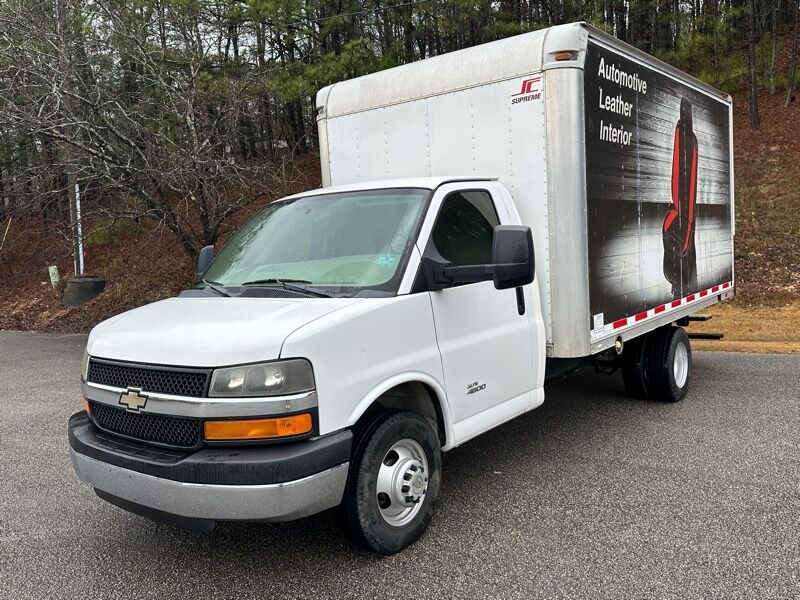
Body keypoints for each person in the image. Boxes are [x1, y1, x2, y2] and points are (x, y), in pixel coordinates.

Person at [662, 97, 698, 298]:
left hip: (685, 224)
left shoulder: (686, 139)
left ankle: (681, 285)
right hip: (687, 223)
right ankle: (682, 284)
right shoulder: (690, 141)